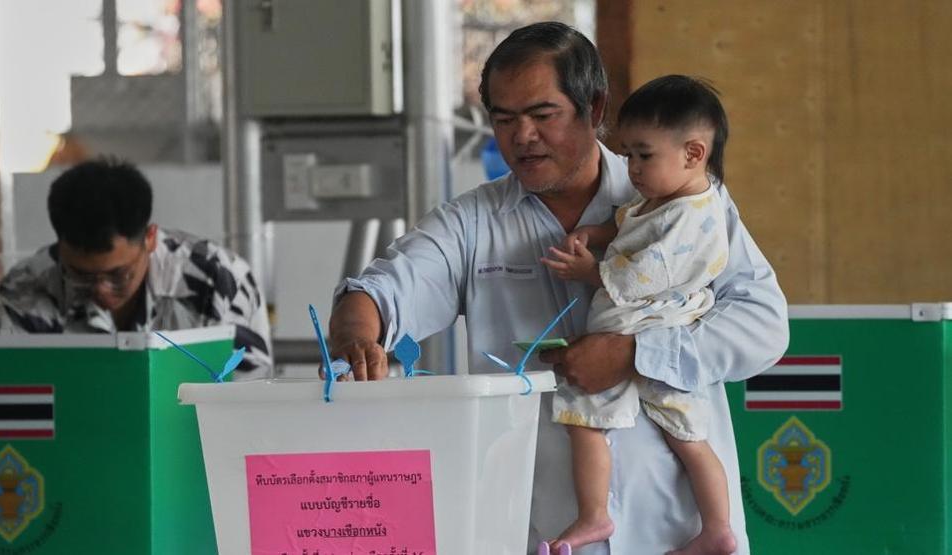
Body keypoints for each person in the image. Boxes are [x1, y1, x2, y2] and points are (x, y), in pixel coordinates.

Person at [329, 21, 787, 554]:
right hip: (544, 534)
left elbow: (764, 327)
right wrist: (357, 335)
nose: (521, 137)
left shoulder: (687, 205)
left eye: (542, 115)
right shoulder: (472, 224)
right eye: (503, 119)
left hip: (679, 532)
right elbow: (381, 293)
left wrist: (635, 354)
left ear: (594, 110)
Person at [538, 75, 737, 553]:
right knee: (687, 436)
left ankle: (595, 517)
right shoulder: (666, 199)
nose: (631, 168)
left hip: (645, 331)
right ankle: (714, 528)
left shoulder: (696, 216)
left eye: (643, 155)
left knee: (584, 418)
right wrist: (596, 231)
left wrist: (590, 272)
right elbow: (627, 221)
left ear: (693, 154)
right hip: (647, 331)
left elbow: (640, 276)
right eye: (626, 154)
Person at [0, 157, 273, 377]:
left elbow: (250, 397)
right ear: (60, 247)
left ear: (150, 238)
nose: (102, 291)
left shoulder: (217, 280)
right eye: (81, 275)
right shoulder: (27, 290)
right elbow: (9, 396)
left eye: (118, 274)